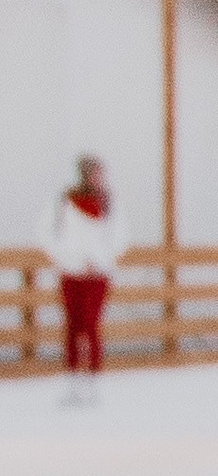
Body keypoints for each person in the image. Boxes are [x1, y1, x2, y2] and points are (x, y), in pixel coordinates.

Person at [47, 155, 126, 399]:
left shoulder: (107, 202)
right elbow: (63, 233)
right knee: (73, 326)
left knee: (90, 325)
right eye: (95, 173)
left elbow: (114, 236)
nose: (99, 178)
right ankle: (73, 381)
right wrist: (70, 260)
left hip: (96, 274)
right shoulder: (69, 199)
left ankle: (93, 382)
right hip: (72, 272)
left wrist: (100, 260)